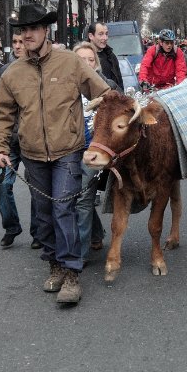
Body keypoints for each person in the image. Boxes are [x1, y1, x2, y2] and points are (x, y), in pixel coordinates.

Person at [0, 2, 109, 306]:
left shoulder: (70, 62)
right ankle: (55, 265)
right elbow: (2, 114)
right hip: (32, 155)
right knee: (43, 215)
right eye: (22, 30)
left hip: (68, 151)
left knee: (63, 209)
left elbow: (103, 93)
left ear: (46, 30)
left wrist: (112, 129)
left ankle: (71, 274)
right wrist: (0, 147)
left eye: (33, 29)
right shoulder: (12, 74)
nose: (27, 35)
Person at [0, 32, 41, 249]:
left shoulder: (38, 68)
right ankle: (11, 227)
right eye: (14, 42)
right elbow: (0, 111)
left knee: (37, 187)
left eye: (22, 42)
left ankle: (38, 232)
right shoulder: (6, 72)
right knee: (3, 185)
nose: (18, 46)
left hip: (31, 139)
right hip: (11, 140)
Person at [72, 41, 117, 262]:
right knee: (77, 198)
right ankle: (96, 233)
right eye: (81, 60)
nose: (87, 64)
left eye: (91, 60)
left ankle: (77, 256)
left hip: (93, 151)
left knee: (81, 199)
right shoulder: (65, 84)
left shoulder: (106, 85)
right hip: (69, 149)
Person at [87, 22, 124, 91]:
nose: (105, 38)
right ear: (91, 36)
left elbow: (119, 82)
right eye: (101, 34)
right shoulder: (83, 57)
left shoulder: (111, 56)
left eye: (106, 34)